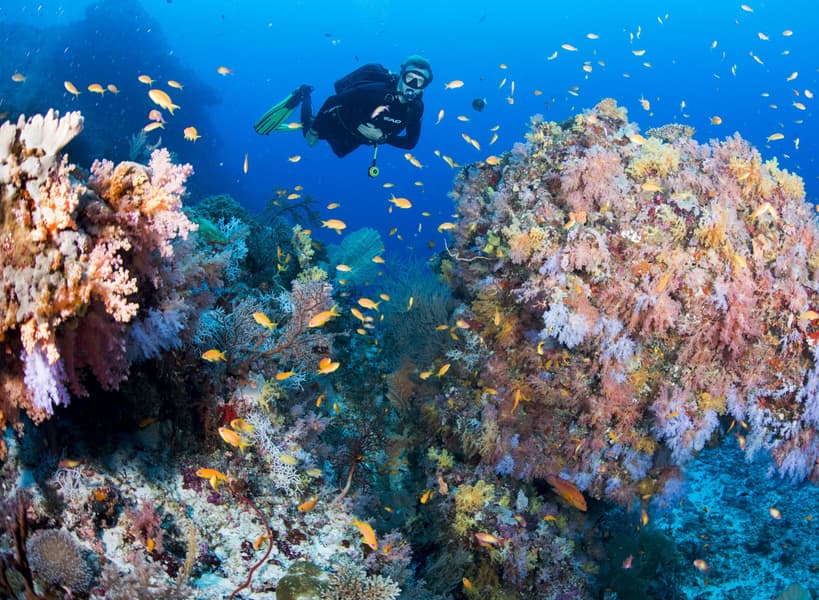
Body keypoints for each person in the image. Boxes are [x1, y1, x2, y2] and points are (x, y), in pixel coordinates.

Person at [254, 56, 432, 158]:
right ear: (401, 76)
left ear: (424, 86)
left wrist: (383, 137)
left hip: (357, 138)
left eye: (420, 81)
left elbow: (410, 143)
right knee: (307, 131)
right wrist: (314, 132)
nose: (413, 85)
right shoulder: (375, 91)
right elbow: (333, 101)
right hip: (339, 122)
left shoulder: (415, 109)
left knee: (339, 150)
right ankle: (304, 94)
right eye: (410, 78)